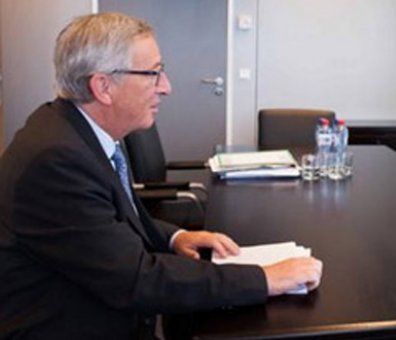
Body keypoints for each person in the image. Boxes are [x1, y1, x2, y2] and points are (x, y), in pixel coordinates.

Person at [0, 12, 322, 339]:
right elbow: (137, 279)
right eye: (153, 74)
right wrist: (264, 279)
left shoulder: (80, 131)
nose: (166, 87)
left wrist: (174, 237)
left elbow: (112, 217)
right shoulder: (57, 161)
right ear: (103, 86)